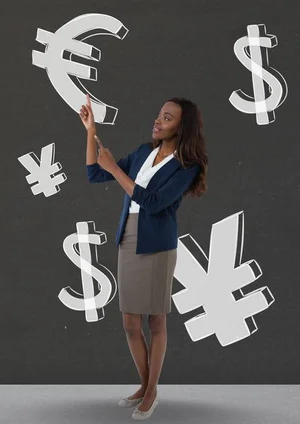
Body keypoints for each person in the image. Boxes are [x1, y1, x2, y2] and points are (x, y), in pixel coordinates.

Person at [80, 94, 208, 420]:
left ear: (182, 127)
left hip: (157, 244)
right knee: (129, 323)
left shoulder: (186, 166)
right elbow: (95, 174)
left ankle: (151, 392)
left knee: (156, 321)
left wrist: (114, 168)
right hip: (128, 237)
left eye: (167, 118)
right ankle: (144, 384)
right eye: (159, 115)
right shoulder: (142, 152)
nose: (158, 120)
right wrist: (90, 130)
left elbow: (152, 202)